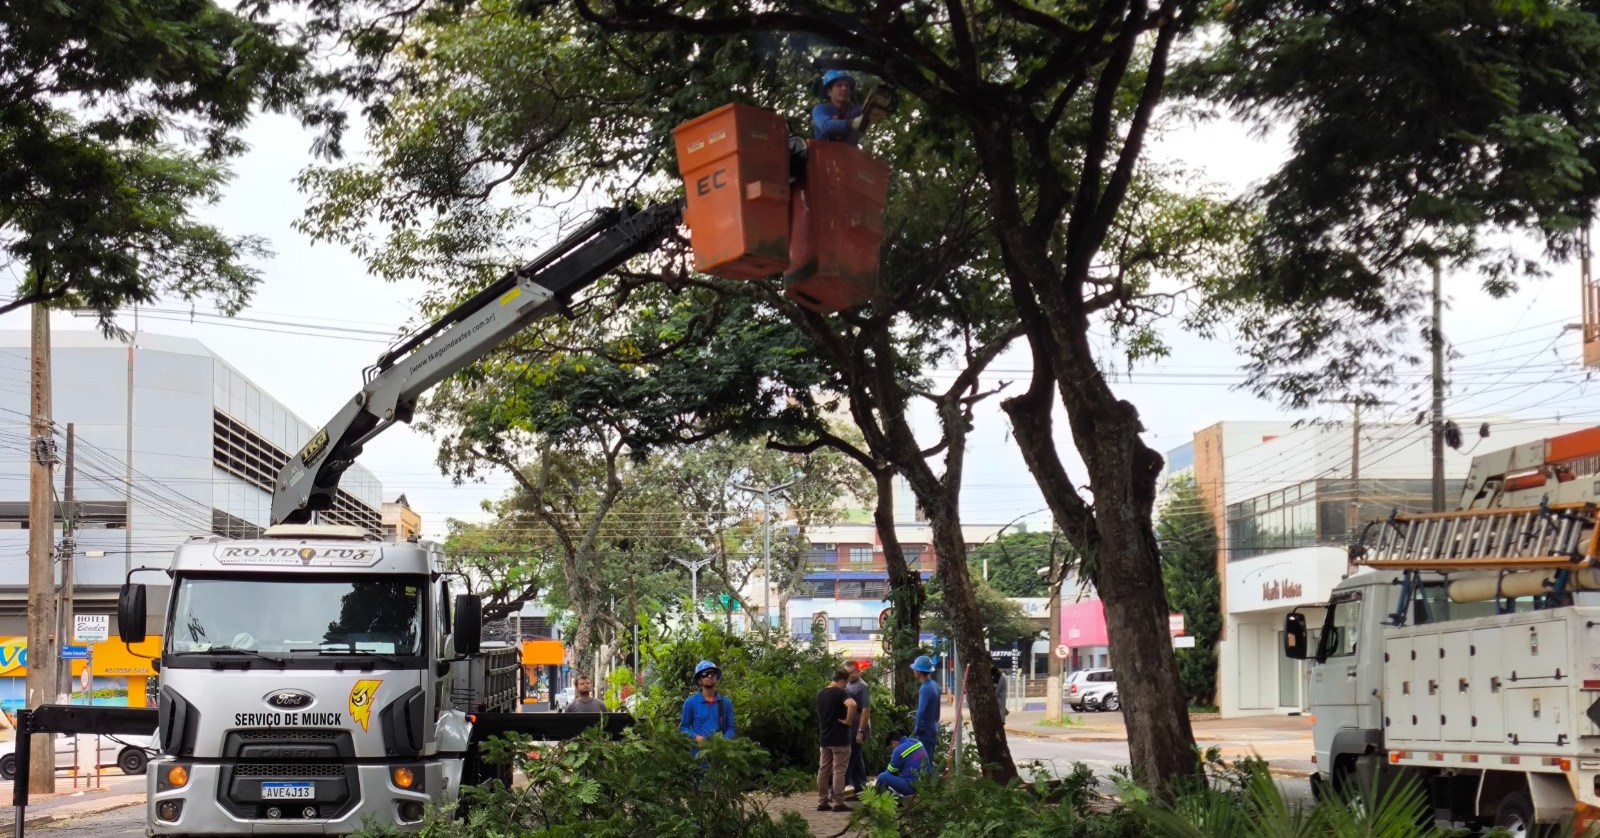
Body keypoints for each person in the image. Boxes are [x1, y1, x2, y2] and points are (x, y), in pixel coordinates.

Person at [815, 667, 858, 812]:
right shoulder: (840, 693)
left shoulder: (821, 694)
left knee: (823, 769)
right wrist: (848, 721)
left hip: (825, 738)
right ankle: (839, 802)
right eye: (845, 683)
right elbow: (852, 704)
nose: (846, 686)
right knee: (839, 770)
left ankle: (822, 801)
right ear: (842, 680)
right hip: (840, 738)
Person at [679, 660, 735, 745]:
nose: (709, 676)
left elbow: (731, 728)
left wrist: (724, 740)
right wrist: (696, 737)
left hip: (720, 750)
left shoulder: (726, 703)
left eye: (712, 674)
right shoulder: (690, 703)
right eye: (705, 674)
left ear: (716, 677)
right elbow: (684, 728)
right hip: (698, 751)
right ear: (699, 680)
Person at [843, 661, 872, 796]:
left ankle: (836, 789)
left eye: (851, 672)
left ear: (858, 671)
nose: (849, 675)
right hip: (850, 728)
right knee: (856, 759)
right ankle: (861, 788)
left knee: (849, 759)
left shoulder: (862, 687)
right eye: (847, 673)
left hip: (858, 729)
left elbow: (866, 711)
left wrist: (861, 731)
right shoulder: (848, 684)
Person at [812, 69, 864, 145]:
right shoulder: (820, 110)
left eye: (847, 85)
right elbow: (826, 126)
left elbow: (869, 109)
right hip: (826, 151)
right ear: (829, 92)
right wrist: (852, 124)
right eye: (839, 85)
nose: (844, 88)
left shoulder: (855, 111)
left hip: (850, 152)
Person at [875, 732, 932, 798]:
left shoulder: (898, 750)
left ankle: (878, 799)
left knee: (882, 777)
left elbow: (889, 773)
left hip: (912, 787)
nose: (891, 751)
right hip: (927, 783)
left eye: (890, 748)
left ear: (893, 742)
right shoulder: (916, 742)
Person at [911, 655, 941, 748]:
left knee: (924, 756)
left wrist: (917, 729)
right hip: (932, 727)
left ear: (919, 671)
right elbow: (937, 711)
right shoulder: (935, 686)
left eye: (915, 669)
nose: (913, 671)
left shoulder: (925, 688)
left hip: (925, 730)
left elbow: (921, 711)